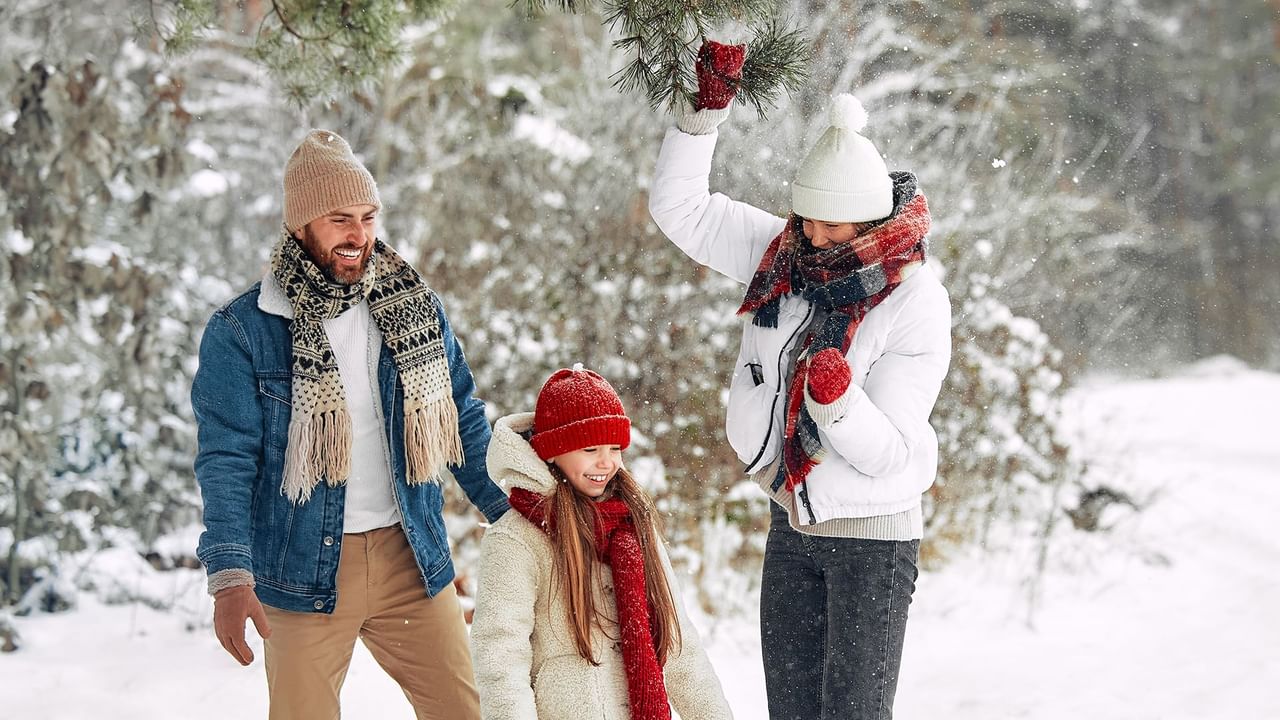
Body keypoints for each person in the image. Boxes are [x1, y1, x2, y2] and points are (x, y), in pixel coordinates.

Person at [647, 43, 953, 720]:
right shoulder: (785, 258)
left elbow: (893, 453)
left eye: (830, 223)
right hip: (793, 520)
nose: (812, 237)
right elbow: (682, 212)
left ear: (872, 218)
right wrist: (704, 115)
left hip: (873, 542)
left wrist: (837, 402)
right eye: (805, 217)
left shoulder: (914, 300)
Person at [190, 129, 509, 720]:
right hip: (299, 564)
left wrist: (516, 517)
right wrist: (230, 574)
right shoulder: (244, 329)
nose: (358, 235)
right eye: (339, 219)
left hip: (409, 554)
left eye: (366, 216)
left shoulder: (412, 307)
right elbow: (226, 459)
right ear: (300, 225)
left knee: (467, 712)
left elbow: (462, 420)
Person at [469, 366, 734, 720]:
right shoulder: (515, 538)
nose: (606, 462)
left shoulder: (634, 523)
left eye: (615, 447)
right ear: (551, 451)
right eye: (590, 448)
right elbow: (500, 660)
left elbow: (679, 647)